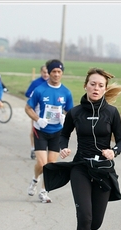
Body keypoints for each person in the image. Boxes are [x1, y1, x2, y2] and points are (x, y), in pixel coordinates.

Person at [43, 67, 121, 230]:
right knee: (84, 216)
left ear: (105, 89)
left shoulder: (112, 113)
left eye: (100, 85)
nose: (96, 88)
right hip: (80, 167)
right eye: (92, 84)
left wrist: (113, 151)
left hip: (103, 171)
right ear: (85, 86)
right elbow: (64, 135)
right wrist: (63, 148)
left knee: (95, 222)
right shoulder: (75, 112)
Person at [25, 59, 73, 203]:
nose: (56, 74)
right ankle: (34, 180)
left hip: (57, 132)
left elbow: (71, 112)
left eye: (59, 72)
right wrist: (38, 119)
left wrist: (66, 118)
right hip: (41, 130)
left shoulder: (66, 92)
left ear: (62, 73)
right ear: (49, 73)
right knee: (42, 163)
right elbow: (28, 108)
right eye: (54, 72)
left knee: (51, 165)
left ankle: (44, 191)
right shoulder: (40, 90)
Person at [25, 65, 50, 160]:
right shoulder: (36, 83)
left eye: (47, 72)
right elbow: (27, 93)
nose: (46, 74)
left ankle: (44, 149)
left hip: (48, 110)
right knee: (34, 129)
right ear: (41, 72)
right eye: (44, 72)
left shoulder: (52, 83)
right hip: (36, 110)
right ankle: (33, 148)